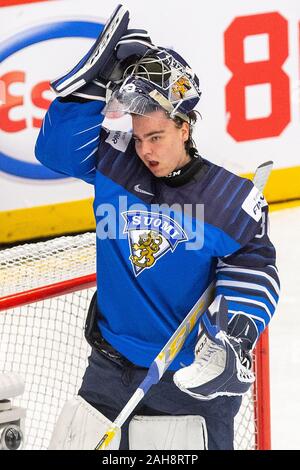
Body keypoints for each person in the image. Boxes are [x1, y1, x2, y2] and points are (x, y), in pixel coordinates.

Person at [35, 5, 280, 450]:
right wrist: (94, 84)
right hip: (109, 370)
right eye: (138, 133)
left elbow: (256, 270)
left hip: (189, 382)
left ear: (185, 128)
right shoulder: (113, 162)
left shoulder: (228, 200)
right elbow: (55, 151)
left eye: (157, 137)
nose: (144, 149)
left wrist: (234, 338)